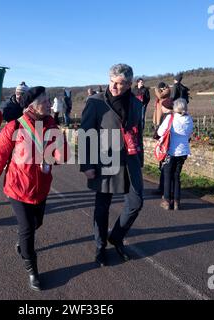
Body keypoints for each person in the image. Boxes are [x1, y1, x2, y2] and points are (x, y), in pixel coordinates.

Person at [0, 86, 68, 291]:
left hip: (41, 189)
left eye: (49, 100)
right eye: (45, 101)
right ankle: (33, 271)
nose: (49, 104)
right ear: (32, 106)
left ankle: (22, 244)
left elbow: (61, 158)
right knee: (28, 229)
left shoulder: (51, 125)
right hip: (18, 189)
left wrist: (59, 147)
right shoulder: (14, 128)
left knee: (37, 222)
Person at [80, 64, 144, 267]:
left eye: (121, 83)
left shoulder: (136, 103)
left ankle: (116, 237)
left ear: (129, 84)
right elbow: (85, 134)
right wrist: (87, 164)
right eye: (113, 82)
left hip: (130, 160)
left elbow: (138, 131)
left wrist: (139, 158)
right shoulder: (95, 102)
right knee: (102, 207)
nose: (115, 87)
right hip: (104, 159)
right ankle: (100, 247)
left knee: (136, 202)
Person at [157, 98, 193, 211]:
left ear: (175, 108)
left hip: (170, 150)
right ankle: (177, 201)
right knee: (176, 176)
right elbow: (189, 133)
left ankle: (167, 200)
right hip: (183, 151)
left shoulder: (171, 118)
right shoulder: (189, 119)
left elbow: (160, 132)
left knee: (167, 175)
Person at [153, 98, 174, 195]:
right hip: (174, 146)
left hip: (166, 145)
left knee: (164, 168)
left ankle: (163, 190)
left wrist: (157, 134)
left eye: (162, 106)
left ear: (166, 107)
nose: (161, 107)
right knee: (174, 172)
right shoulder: (176, 116)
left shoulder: (168, 117)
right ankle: (170, 190)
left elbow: (161, 131)